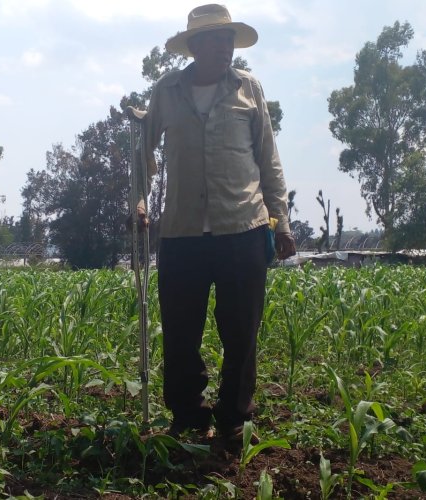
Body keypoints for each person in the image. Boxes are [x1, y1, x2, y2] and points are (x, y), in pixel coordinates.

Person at [134, 4, 296, 440]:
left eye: (229, 40)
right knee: (181, 333)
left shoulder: (249, 89)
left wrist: (280, 223)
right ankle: (188, 417)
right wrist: (140, 200)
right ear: (195, 47)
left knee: (241, 332)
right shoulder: (166, 91)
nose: (225, 48)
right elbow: (141, 154)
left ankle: (232, 420)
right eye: (216, 41)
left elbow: (268, 159)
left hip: (243, 228)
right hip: (182, 232)